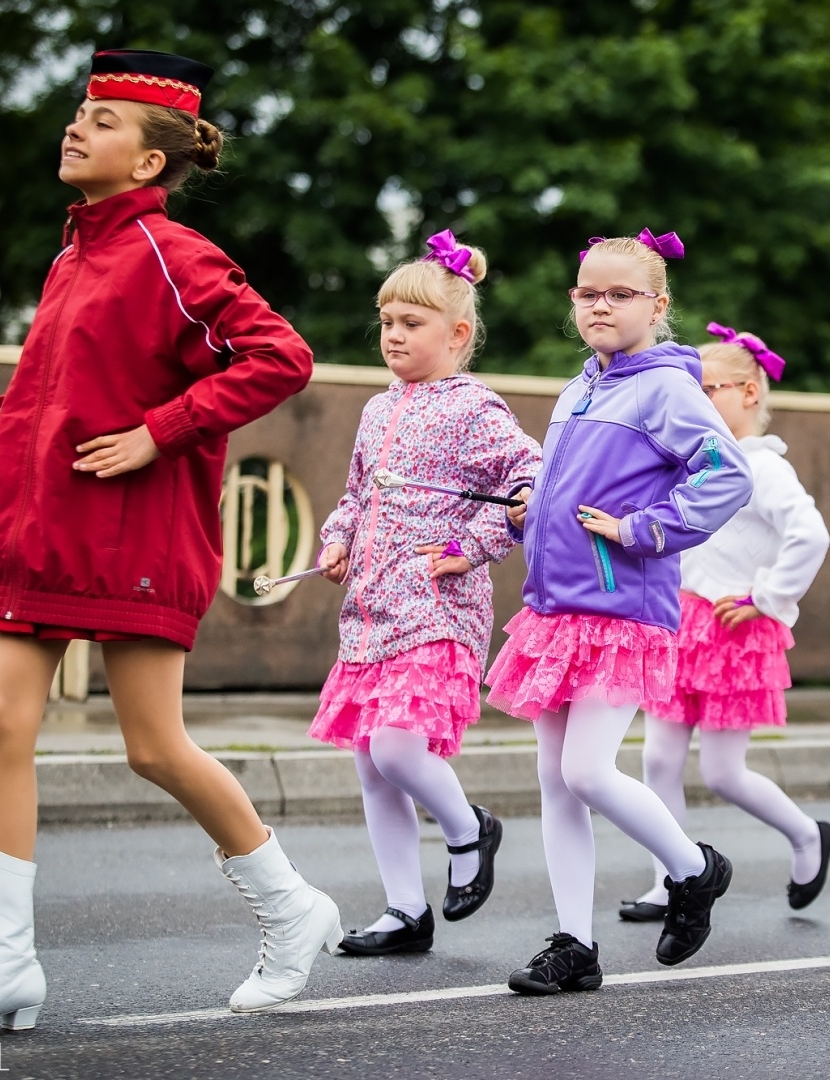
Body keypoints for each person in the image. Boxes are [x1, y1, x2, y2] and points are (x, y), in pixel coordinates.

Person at [0, 50, 339, 1032]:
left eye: (104, 119)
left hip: (133, 535)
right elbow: (68, 380)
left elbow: (282, 356)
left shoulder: (173, 252)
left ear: (150, 164)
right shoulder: (72, 254)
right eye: (80, 110)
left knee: (154, 747)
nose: (77, 125)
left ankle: (289, 904)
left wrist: (162, 430)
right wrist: (3, 414)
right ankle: (6, 967)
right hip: (41, 528)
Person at [484, 230, 752, 994]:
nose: (600, 305)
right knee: (556, 779)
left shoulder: (668, 388)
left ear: (657, 306)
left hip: (624, 609)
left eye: (620, 294)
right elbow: (573, 484)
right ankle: (575, 943)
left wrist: (645, 530)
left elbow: (726, 477)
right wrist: (530, 511)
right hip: (555, 608)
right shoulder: (580, 387)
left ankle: (694, 869)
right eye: (587, 293)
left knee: (587, 770)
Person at [308, 231, 540, 955]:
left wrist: (469, 546)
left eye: (411, 323)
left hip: (437, 609)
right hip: (371, 611)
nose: (394, 336)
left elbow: (528, 482)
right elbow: (356, 495)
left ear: (458, 333)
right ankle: (406, 911)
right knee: (372, 763)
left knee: (399, 748)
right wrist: (337, 537)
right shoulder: (380, 409)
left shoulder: (475, 407)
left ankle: (471, 827)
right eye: (386, 323)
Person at [620, 322, 830, 923]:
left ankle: (807, 834)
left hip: (732, 629)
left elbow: (809, 535)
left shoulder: (764, 467)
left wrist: (767, 596)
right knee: (657, 760)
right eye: (696, 388)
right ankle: (668, 879)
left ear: (750, 393)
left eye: (712, 388)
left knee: (722, 771)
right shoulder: (697, 461)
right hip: (680, 621)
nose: (702, 399)